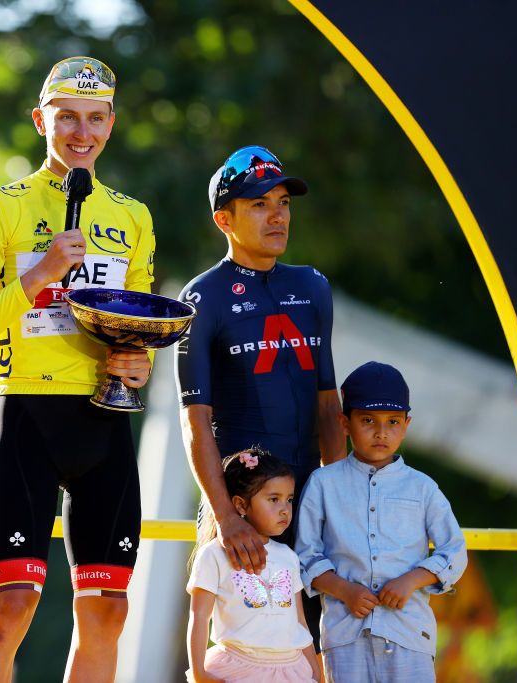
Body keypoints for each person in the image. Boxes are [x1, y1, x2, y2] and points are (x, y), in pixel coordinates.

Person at [0, 56, 155, 683]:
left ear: (111, 126)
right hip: (28, 417)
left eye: (94, 119)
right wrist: (36, 277)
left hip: (104, 420)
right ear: (41, 121)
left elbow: (138, 329)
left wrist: (136, 361)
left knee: (109, 611)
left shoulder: (133, 217)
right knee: (11, 607)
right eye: (67, 118)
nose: (80, 133)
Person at [175, 145, 345, 574]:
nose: (278, 216)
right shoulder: (201, 297)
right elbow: (194, 420)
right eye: (259, 204)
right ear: (224, 220)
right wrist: (227, 518)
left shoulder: (313, 286)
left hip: (308, 504)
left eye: (283, 203)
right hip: (239, 510)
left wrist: (342, 501)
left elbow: (328, 403)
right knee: (243, 640)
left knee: (315, 638)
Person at [294, 361, 467, 682]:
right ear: (345, 423)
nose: (381, 431)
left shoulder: (422, 488)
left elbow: (454, 551)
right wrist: (343, 589)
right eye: (368, 420)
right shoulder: (323, 483)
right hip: (344, 634)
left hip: (410, 632)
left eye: (393, 421)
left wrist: (412, 580)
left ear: (406, 424)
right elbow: (304, 555)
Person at [187, 447, 319, 683]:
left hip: (291, 670)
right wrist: (198, 673)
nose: (284, 509)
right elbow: (198, 618)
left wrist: (316, 674)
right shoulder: (214, 555)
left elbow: (299, 622)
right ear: (240, 505)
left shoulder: (288, 557)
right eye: (273, 499)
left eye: (289, 499)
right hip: (238, 668)